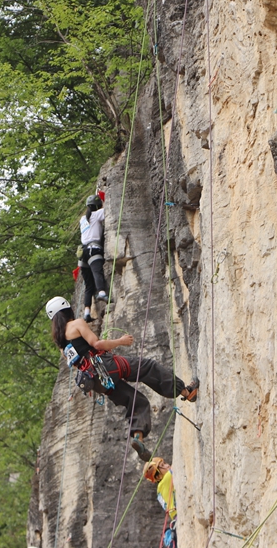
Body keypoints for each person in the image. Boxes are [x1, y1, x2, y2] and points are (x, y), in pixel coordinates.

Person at [46, 297, 199, 461]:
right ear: (66, 310)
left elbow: (78, 364)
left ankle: (138, 437)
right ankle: (185, 391)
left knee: (135, 401)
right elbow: (96, 344)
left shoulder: (62, 346)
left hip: (96, 382)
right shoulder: (76, 324)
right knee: (148, 367)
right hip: (106, 366)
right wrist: (120, 341)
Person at [78, 193, 108, 322]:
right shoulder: (97, 215)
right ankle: (102, 293)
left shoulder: (82, 219)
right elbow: (108, 210)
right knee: (97, 271)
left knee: (89, 285)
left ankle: (86, 312)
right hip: (93, 249)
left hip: (82, 253)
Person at [143, 457, 177, 547]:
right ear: (158, 476)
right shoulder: (164, 482)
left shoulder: (160, 490)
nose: (167, 465)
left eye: (165, 463)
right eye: (162, 465)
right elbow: (177, 464)